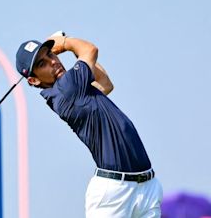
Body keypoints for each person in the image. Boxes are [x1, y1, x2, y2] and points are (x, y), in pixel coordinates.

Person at [15, 33, 163, 217]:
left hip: (146, 186)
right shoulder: (67, 87)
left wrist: (76, 55)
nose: (53, 62)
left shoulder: (73, 87)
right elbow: (90, 50)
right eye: (42, 64)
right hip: (114, 193)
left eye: (50, 55)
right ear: (34, 80)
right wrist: (65, 42)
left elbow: (105, 84)